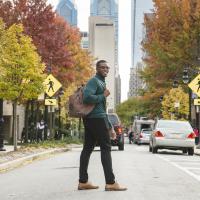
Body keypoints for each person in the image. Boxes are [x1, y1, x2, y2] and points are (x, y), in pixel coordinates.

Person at [78, 60, 127, 191]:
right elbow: (87, 98)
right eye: (103, 67)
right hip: (95, 119)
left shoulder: (101, 82)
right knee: (106, 148)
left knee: (87, 149)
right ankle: (110, 182)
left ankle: (83, 181)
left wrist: (110, 126)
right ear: (97, 68)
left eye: (107, 67)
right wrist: (103, 95)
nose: (106, 69)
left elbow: (102, 109)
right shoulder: (94, 81)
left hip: (94, 118)